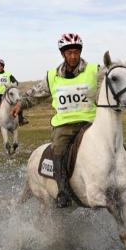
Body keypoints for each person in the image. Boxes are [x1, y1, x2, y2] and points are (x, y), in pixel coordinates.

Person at [12, 33, 98, 208]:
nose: (73, 56)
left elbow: (113, 83)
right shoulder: (52, 76)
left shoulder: (95, 70)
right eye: (69, 53)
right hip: (64, 125)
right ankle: (63, 191)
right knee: (58, 148)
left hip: (90, 122)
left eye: (76, 52)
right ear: (63, 54)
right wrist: (21, 104)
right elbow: (35, 94)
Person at [0, 58, 27, 128]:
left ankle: (21, 119)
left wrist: (14, 84)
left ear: (3, 66)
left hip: (7, 94)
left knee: (18, 103)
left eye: (1, 65)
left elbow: (15, 81)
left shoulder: (8, 74)